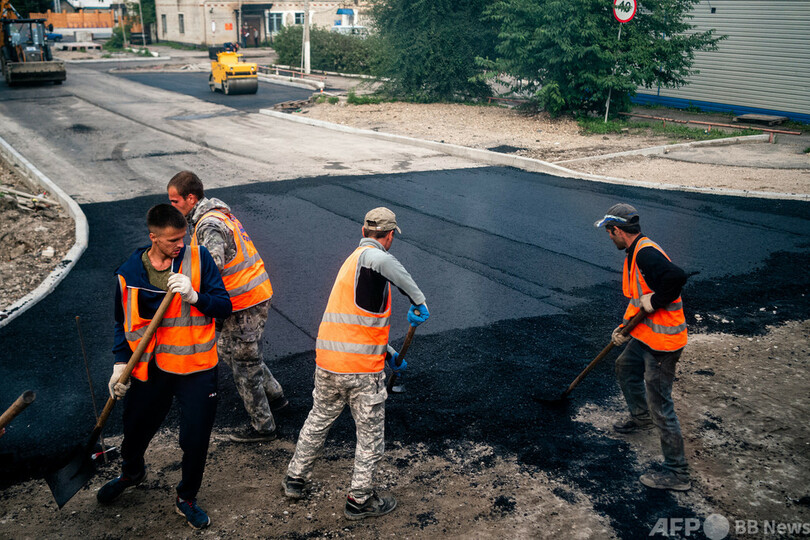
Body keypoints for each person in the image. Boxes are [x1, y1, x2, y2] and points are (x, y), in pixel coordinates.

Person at [282, 207, 429, 520]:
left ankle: (295, 478)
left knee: (318, 420)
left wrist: (387, 351)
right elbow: (387, 264)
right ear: (389, 236)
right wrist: (419, 301)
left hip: (328, 362)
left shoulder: (350, 264)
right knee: (370, 438)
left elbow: (356, 322)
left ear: (363, 232)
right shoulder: (374, 258)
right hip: (360, 372)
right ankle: (359, 500)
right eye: (390, 237)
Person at [99, 204, 232, 529]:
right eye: (173, 240)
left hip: (196, 367)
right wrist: (119, 363)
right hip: (150, 369)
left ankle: (186, 497)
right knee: (135, 427)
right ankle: (132, 472)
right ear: (153, 238)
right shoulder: (128, 273)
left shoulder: (199, 260)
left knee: (195, 437)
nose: (179, 245)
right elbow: (122, 322)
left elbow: (224, 307)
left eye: (182, 237)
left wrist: (195, 296)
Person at [168, 171, 287, 443]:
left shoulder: (208, 225)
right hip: (247, 297)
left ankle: (263, 427)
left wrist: (189, 288)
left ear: (190, 198)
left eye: (174, 201)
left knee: (244, 363)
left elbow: (213, 266)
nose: (172, 206)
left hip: (245, 303)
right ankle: (276, 396)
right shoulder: (219, 214)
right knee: (230, 352)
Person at [595, 203, 691, 491]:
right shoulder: (635, 250)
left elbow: (677, 277)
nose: (609, 238)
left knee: (661, 405)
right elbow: (639, 298)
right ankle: (640, 419)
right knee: (624, 366)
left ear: (617, 230)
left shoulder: (646, 253)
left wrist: (656, 300)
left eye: (609, 233)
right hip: (646, 335)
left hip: (663, 343)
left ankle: (677, 473)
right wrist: (624, 328)